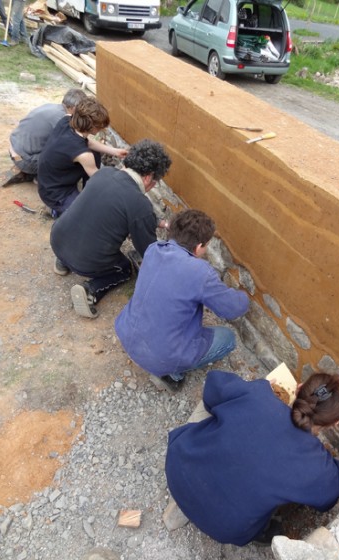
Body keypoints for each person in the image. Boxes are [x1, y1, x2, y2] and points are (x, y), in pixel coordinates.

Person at [165, 370, 339, 546]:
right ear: (336, 423)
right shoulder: (317, 466)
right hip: (223, 526)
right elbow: (329, 495)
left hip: (178, 467)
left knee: (218, 418)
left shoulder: (258, 394)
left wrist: (258, 386)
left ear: (299, 387)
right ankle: (263, 533)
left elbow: (212, 388)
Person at [115, 209, 250, 392]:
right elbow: (233, 309)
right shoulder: (200, 272)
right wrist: (244, 296)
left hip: (126, 332)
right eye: (206, 246)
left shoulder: (154, 249)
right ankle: (172, 374)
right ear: (199, 246)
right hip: (161, 355)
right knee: (228, 338)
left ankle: (164, 363)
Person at [50, 139, 172, 319]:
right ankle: (91, 290)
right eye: (156, 181)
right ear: (148, 177)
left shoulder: (103, 173)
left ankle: (63, 261)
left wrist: (159, 222)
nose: (153, 186)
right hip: (86, 261)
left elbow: (122, 208)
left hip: (58, 240)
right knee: (124, 269)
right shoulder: (139, 204)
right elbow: (148, 251)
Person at [38, 96, 127, 218]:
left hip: (47, 181)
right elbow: (100, 178)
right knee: (86, 215)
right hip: (56, 193)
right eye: (100, 126)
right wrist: (123, 173)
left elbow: (87, 142)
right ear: (92, 127)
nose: (103, 128)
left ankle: (86, 194)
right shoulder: (84, 155)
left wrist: (115, 151)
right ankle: (56, 210)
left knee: (94, 153)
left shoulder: (67, 120)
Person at [1, 88, 88, 187]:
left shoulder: (49, 106)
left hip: (14, 148)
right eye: (81, 108)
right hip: (24, 160)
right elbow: (73, 145)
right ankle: (41, 179)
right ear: (73, 108)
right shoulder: (62, 119)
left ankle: (32, 170)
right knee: (68, 154)